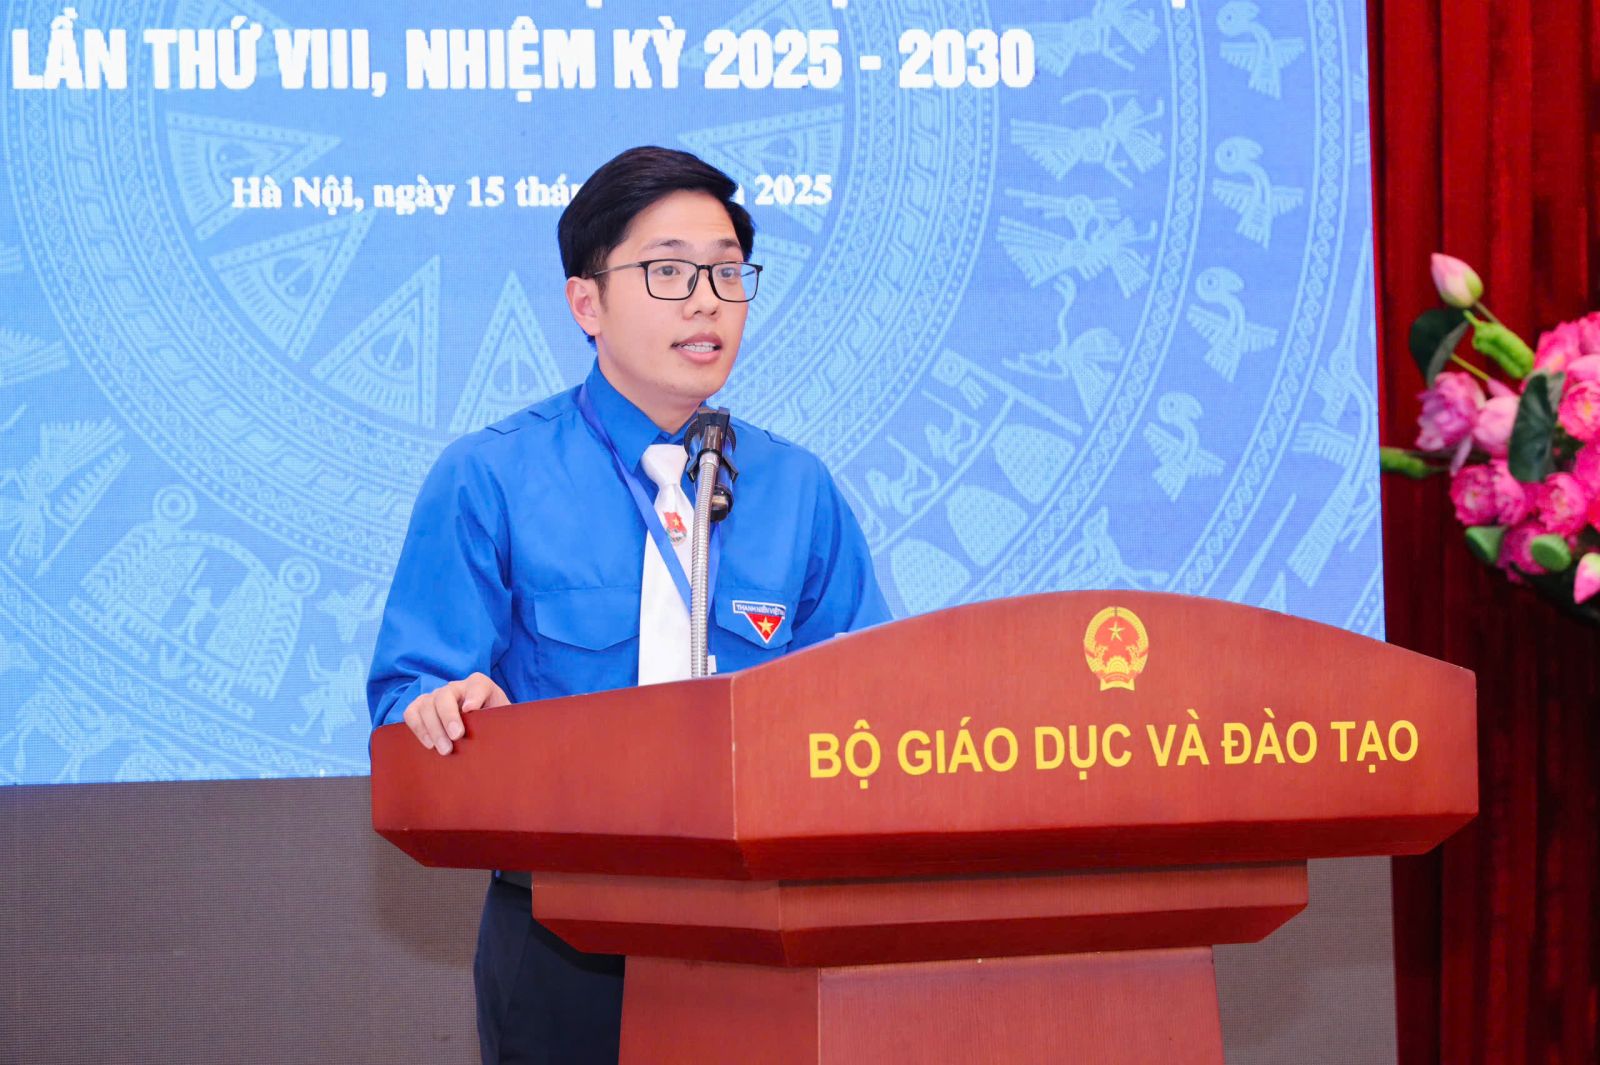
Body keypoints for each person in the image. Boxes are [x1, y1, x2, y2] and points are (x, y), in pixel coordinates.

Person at [365, 146, 890, 1065]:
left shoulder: (797, 488)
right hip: (566, 937)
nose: (706, 301)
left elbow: (871, 702)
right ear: (587, 303)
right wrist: (443, 710)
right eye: (669, 271)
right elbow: (409, 697)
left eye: (727, 272)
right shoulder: (490, 476)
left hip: (762, 932)